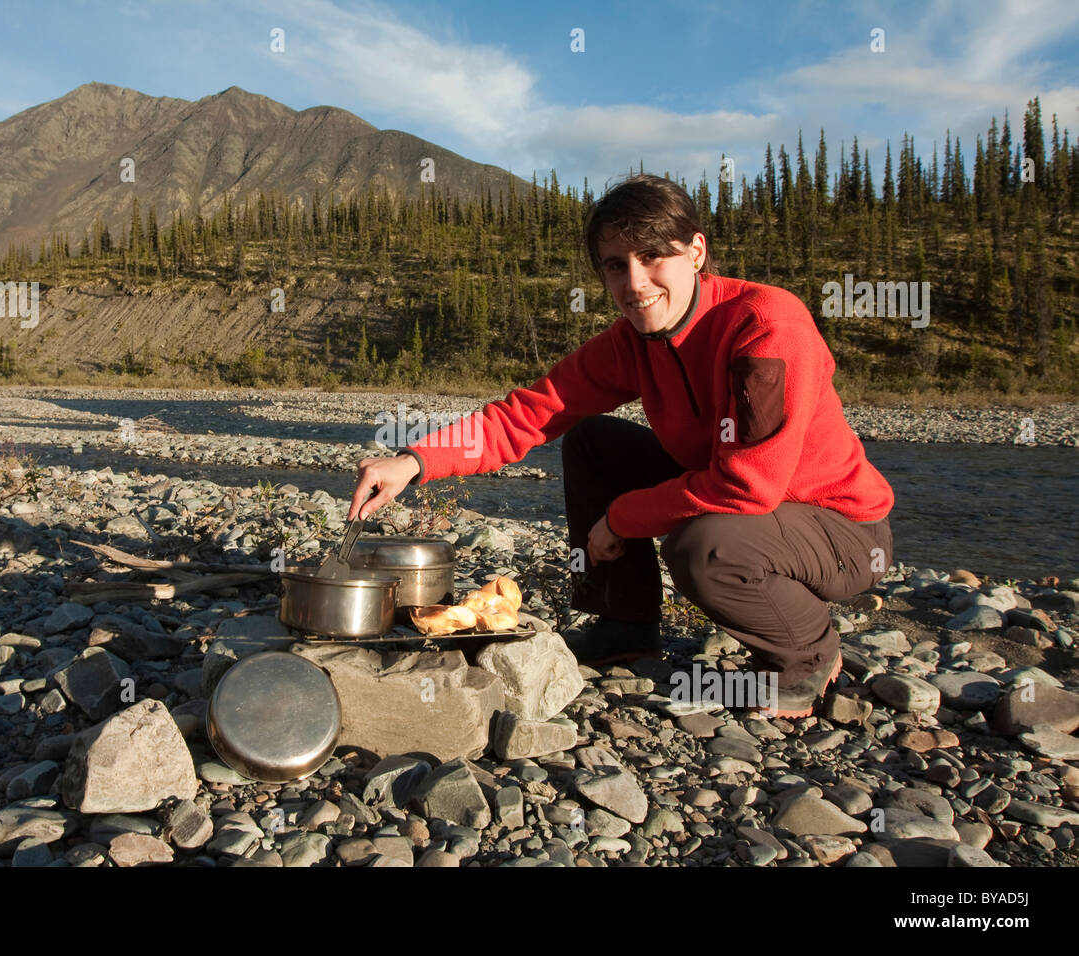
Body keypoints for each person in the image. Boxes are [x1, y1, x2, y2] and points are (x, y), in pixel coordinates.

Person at [348, 173, 894, 718]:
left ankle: (806, 660)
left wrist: (624, 517)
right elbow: (528, 414)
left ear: (696, 251)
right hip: (754, 509)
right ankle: (624, 625)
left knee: (704, 545)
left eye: (653, 256)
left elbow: (747, 484)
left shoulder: (766, 325)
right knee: (593, 441)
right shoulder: (633, 341)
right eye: (615, 265)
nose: (635, 283)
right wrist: (414, 461)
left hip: (840, 530)